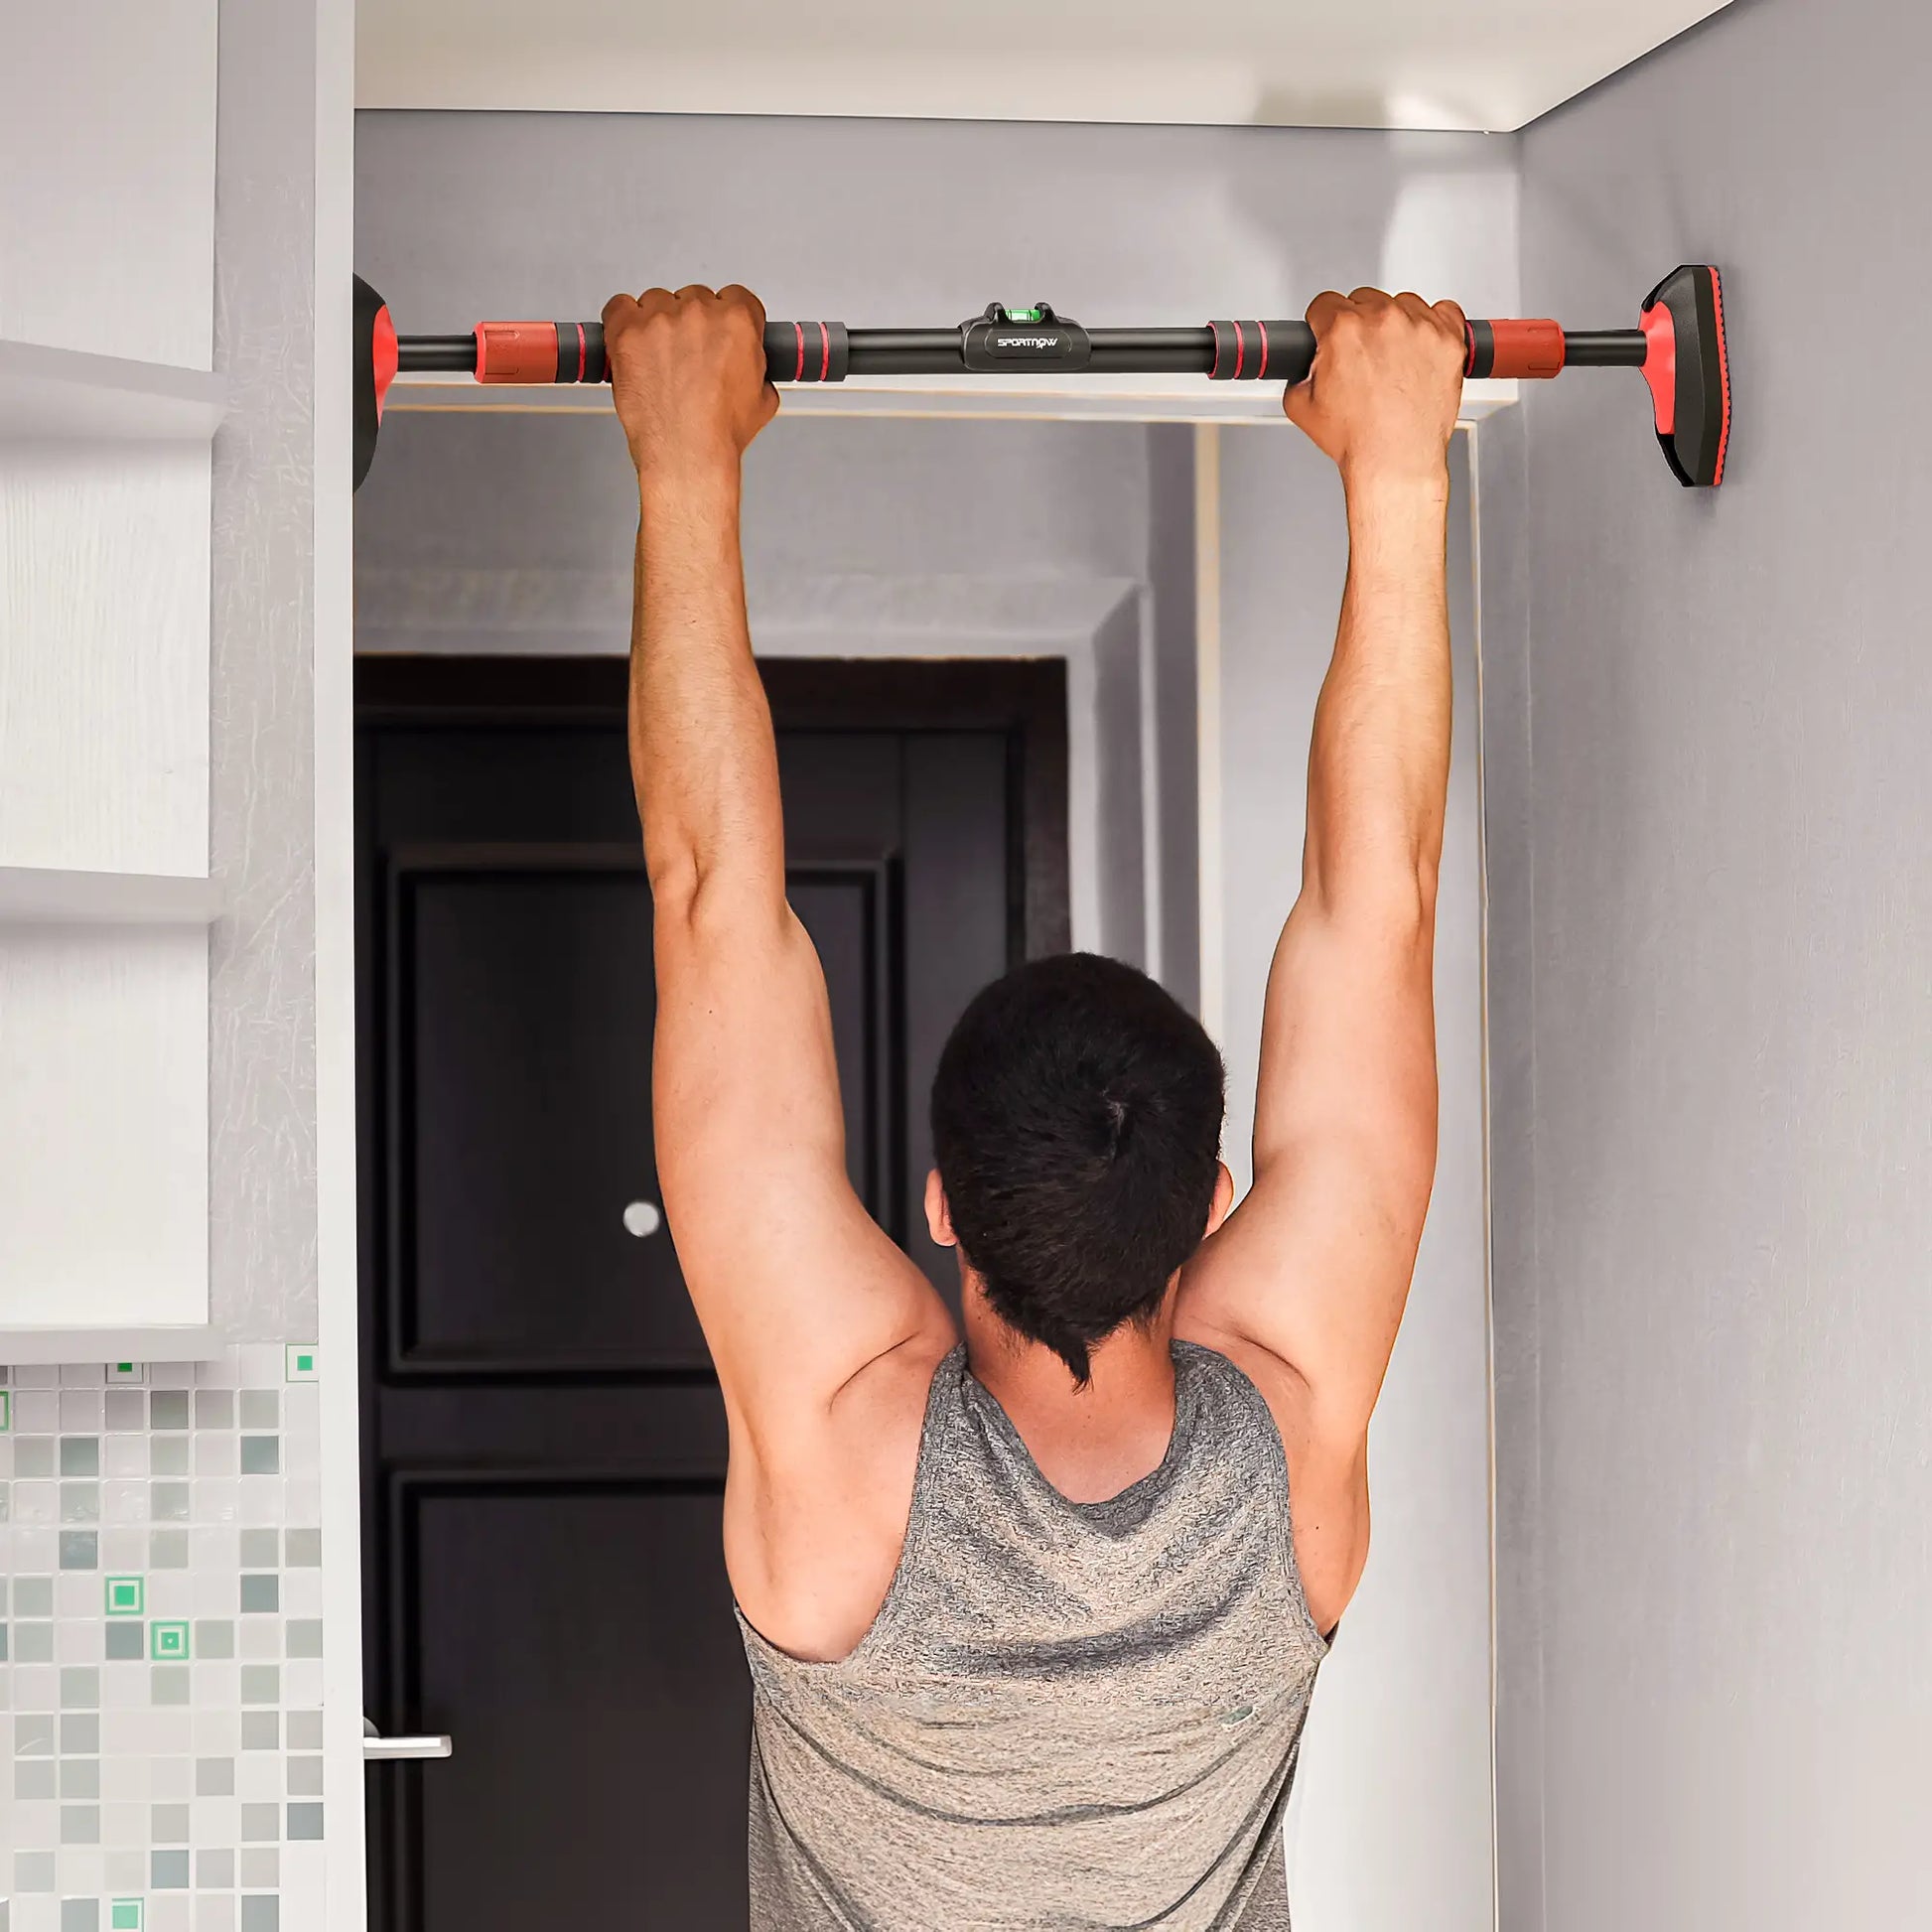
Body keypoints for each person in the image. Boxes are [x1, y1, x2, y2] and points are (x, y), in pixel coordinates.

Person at [604, 276, 1465, 1931]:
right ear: (1214, 1209)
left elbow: (717, 898)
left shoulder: (855, 1445)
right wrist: (1404, 467)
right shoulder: (1278, 1436)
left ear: (936, 1197)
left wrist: (684, 452)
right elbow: (1382, 915)